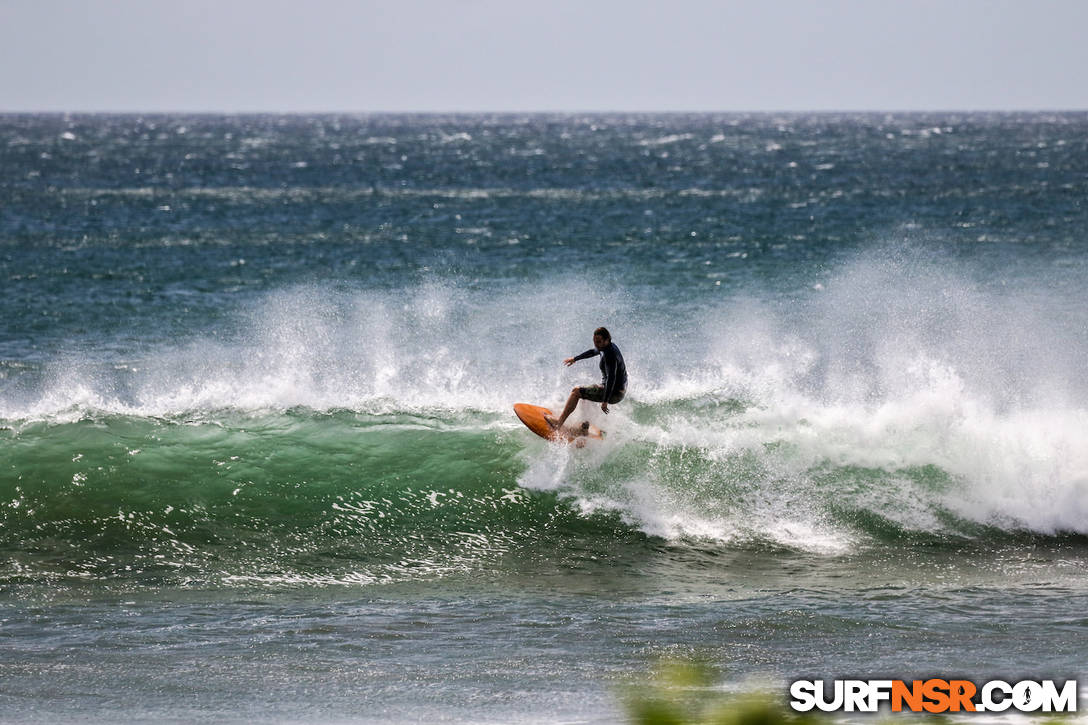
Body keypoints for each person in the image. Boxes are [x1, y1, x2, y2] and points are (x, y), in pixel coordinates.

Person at [552, 326, 627, 430]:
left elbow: (611, 378)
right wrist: (575, 358)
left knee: (576, 392)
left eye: (599, 342)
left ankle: (558, 424)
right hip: (617, 390)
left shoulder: (610, 355)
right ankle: (584, 428)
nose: (596, 344)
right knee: (586, 394)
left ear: (607, 340)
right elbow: (592, 352)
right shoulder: (606, 347)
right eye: (595, 341)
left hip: (614, 392)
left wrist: (605, 401)